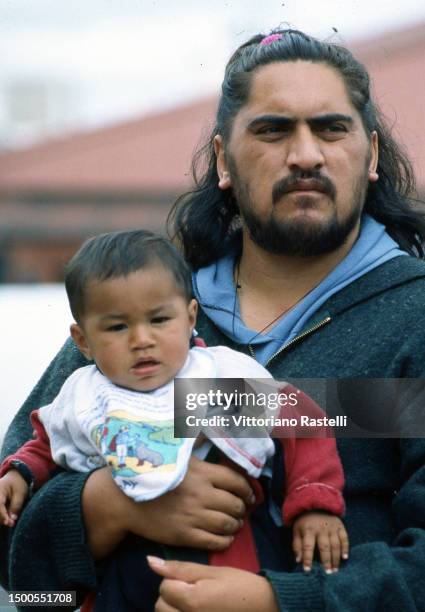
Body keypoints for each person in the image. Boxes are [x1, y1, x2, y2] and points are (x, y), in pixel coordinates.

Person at [2, 27, 425, 611]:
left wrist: (281, 601)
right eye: (273, 130)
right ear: (224, 159)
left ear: (371, 154)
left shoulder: (415, 319)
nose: (305, 154)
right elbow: (19, 579)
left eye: (331, 127)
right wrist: (107, 506)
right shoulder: (140, 319)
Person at [0, 230, 347, 608]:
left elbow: (302, 424)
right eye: (118, 327)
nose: (141, 339)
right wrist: (19, 473)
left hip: (229, 560)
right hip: (120, 575)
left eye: (160, 320)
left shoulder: (210, 381)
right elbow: (48, 444)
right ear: (82, 341)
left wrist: (314, 504)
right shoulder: (85, 395)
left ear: (189, 317)